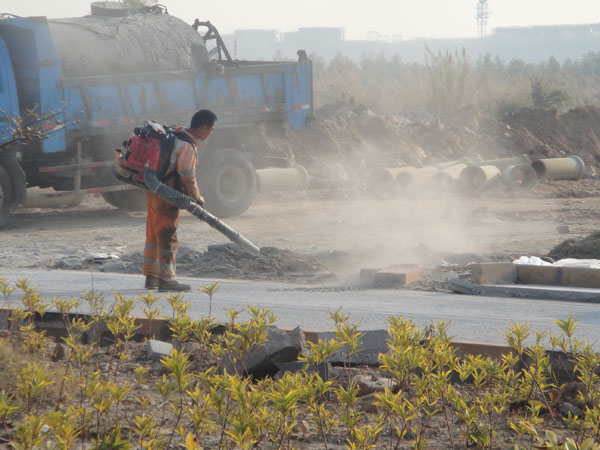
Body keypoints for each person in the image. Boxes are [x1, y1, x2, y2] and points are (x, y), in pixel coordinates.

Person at [143, 109, 217, 292]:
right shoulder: (186, 146)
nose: (210, 133)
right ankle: (167, 279)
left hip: (153, 192)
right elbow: (187, 177)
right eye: (211, 129)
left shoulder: (174, 134)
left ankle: (151, 276)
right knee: (167, 235)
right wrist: (197, 198)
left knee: (153, 235)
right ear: (202, 128)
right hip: (168, 196)